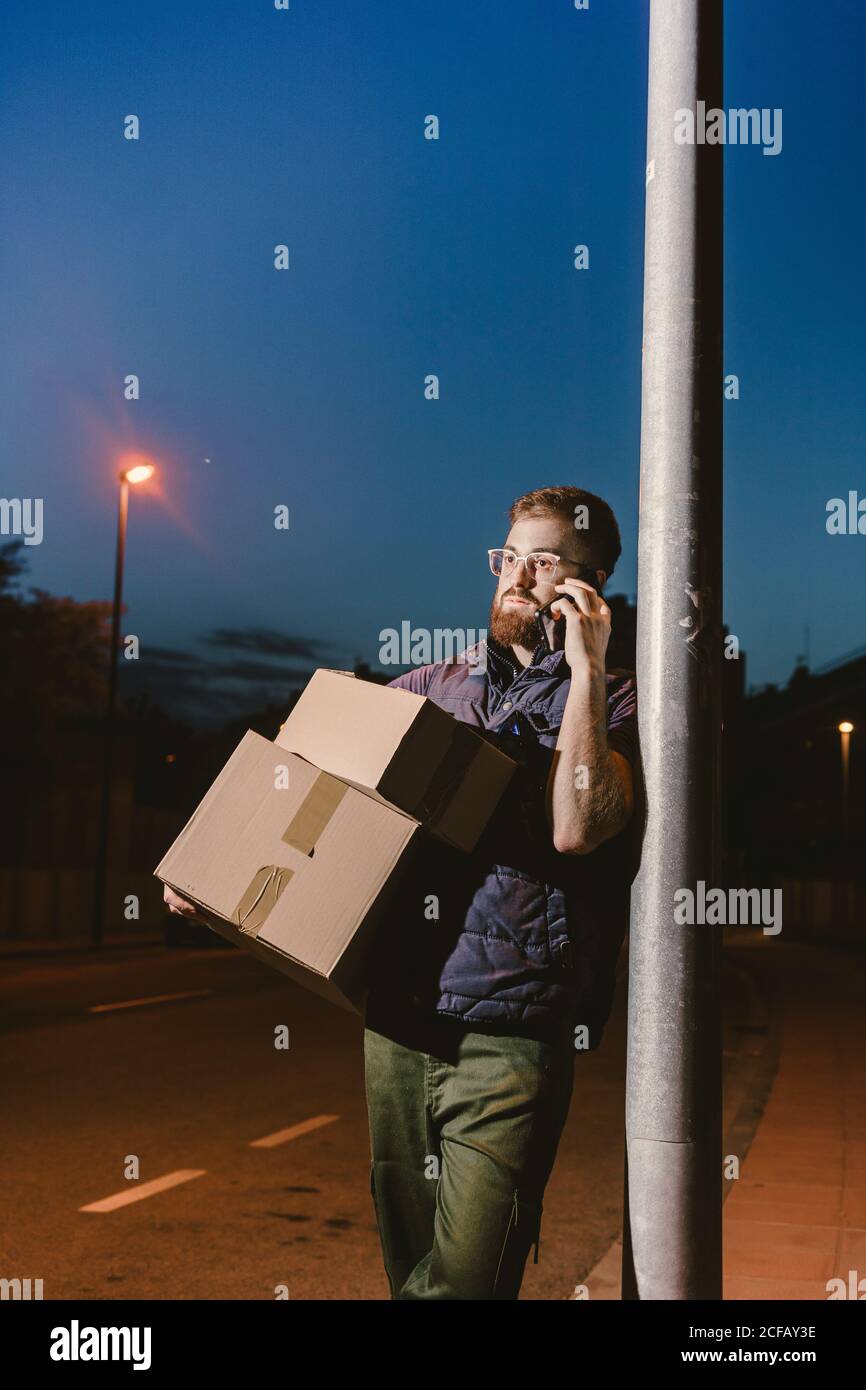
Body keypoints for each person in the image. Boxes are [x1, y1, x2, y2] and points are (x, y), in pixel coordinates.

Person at [166, 483, 640, 1301]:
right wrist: (214, 880)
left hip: (512, 1036)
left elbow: (577, 825)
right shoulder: (428, 688)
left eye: (543, 561)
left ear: (588, 582)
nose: (516, 577)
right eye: (507, 559)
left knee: (464, 1284)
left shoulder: (620, 701)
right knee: (406, 1275)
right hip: (398, 1022)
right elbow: (308, 791)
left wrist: (590, 666)